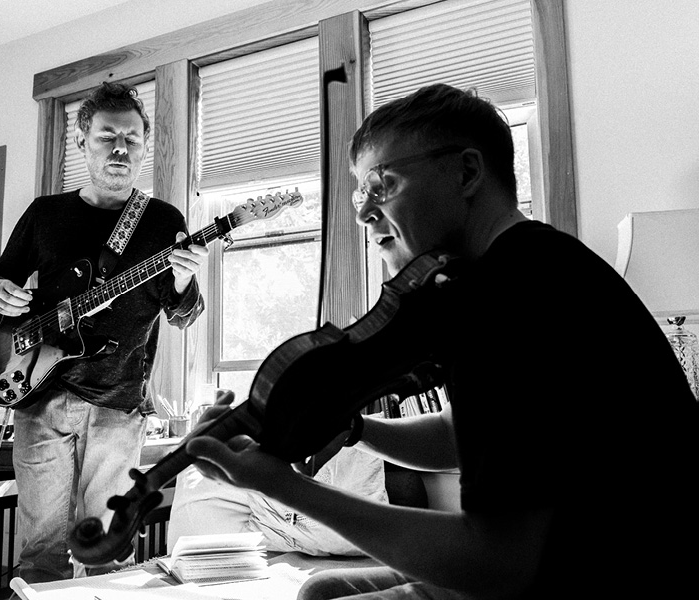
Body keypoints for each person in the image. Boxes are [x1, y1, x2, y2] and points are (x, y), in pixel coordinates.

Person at [184, 83, 698, 599]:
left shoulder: (510, 292)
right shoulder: (519, 267)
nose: (363, 213)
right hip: (571, 553)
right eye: (360, 194)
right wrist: (356, 428)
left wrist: (284, 485)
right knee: (323, 590)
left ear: (467, 172)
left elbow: (498, 563)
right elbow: (460, 434)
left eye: (382, 185)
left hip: (611, 570)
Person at [0, 82, 208, 583]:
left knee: (107, 555)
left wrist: (186, 280)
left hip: (118, 404)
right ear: (83, 142)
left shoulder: (163, 220)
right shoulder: (45, 214)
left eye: (132, 138)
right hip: (39, 396)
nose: (121, 148)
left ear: (145, 147)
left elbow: (184, 315)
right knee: (40, 554)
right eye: (107, 136)